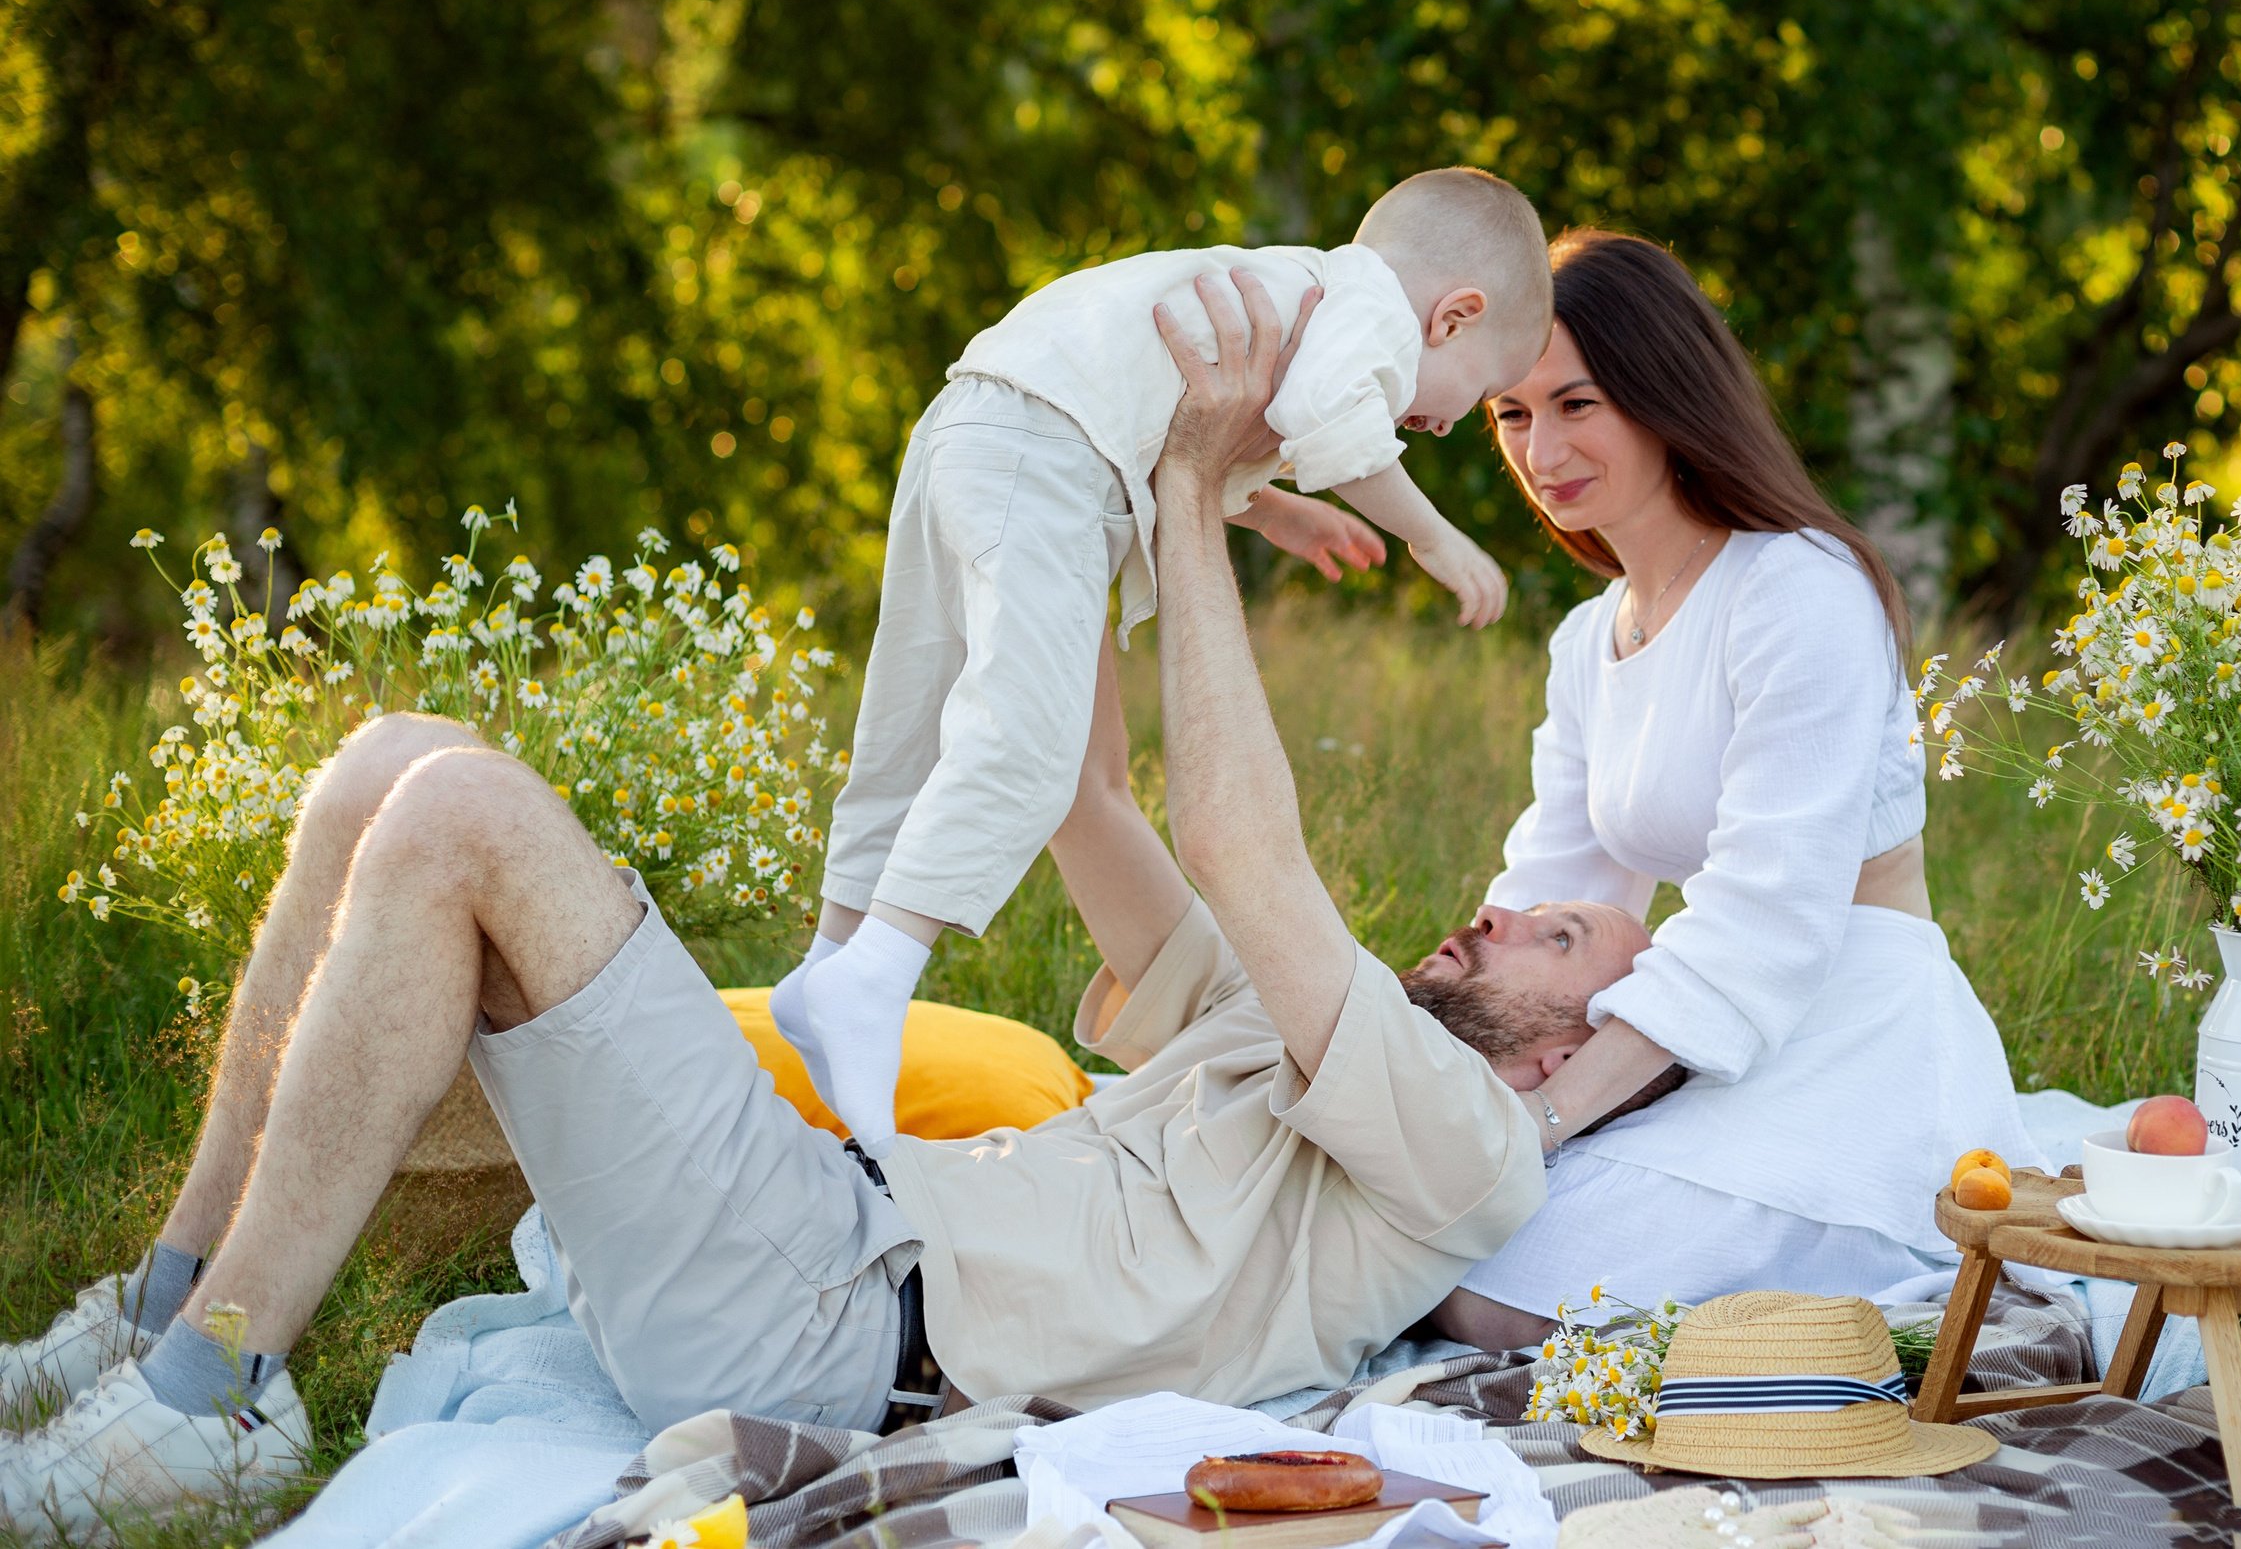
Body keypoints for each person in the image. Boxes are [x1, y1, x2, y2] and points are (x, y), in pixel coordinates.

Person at [0, 271, 1651, 1533]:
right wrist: (1129, 460)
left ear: (1560, 1056)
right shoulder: (1276, 1031)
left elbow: (1248, 843)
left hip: (833, 1321)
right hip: (813, 1221)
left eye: (1556, 934)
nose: (1500, 912)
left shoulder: (1466, 1148)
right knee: (393, 756)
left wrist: (1196, 499)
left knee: (460, 816)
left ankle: (217, 1401)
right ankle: (154, 1321)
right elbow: (1089, 796)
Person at [776, 168, 1550, 1152]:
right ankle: (877, 974)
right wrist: (1430, 536)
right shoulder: (1376, 314)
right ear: (1453, 317)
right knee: (1028, 741)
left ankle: (830, 961)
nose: (1444, 427)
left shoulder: (1299, 287)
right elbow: (1332, 414)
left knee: (910, 723)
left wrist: (1274, 507)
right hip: (1049, 448)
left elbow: (1177, 408)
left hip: (984, 416)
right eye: (1476, 395)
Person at [1431, 230, 2044, 1351]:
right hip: (1704, 1028)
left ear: (1662, 395)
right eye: (1512, 415)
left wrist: (1551, 1120)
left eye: (1576, 404)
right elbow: (1550, 887)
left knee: (1502, 1288)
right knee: (1433, 1233)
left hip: (1856, 1032)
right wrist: (1443, 1085)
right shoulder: (1586, 639)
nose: (1540, 448)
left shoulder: (1800, 592)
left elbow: (1765, 918)